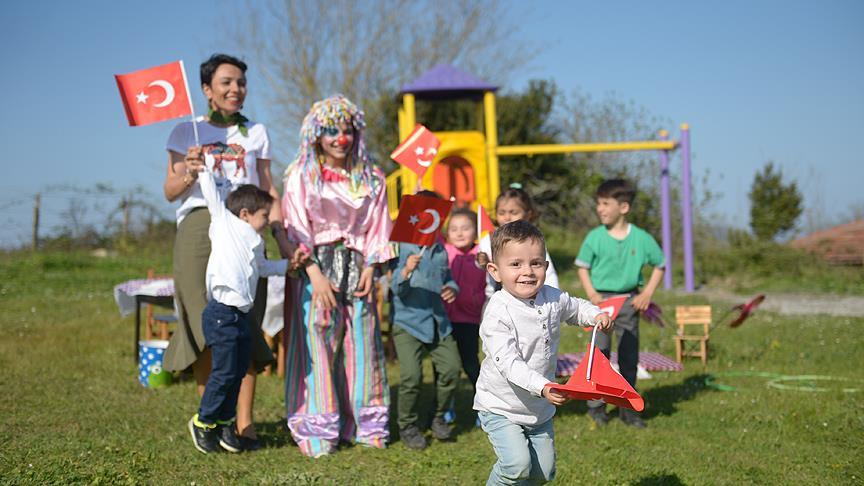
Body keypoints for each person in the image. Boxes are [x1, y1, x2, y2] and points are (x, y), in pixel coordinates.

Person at [162, 53, 294, 449]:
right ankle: (212, 422)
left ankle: (244, 425)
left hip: (246, 229)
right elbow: (170, 191)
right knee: (209, 324)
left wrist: (283, 238)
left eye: (240, 82)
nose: (235, 89)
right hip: (201, 225)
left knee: (245, 324)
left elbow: (269, 190)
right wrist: (188, 168)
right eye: (226, 82)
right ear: (207, 89)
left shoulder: (256, 132)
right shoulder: (186, 131)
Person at [281, 95, 393, 458]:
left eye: (346, 131)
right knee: (316, 346)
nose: (339, 139)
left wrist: (372, 267)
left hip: (358, 267)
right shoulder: (300, 174)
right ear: (316, 134)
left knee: (363, 346)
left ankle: (366, 426)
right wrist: (313, 273)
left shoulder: (372, 177)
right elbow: (295, 224)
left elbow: (379, 226)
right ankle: (318, 429)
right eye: (331, 131)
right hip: (317, 267)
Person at [474, 220, 611, 484]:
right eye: (515, 264)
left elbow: (575, 308)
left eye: (536, 263)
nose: (527, 271)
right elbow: (509, 363)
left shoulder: (551, 297)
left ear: (545, 267)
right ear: (495, 270)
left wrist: (596, 315)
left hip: (538, 411)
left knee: (542, 473)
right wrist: (545, 386)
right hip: (501, 406)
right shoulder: (498, 311)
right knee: (516, 466)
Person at [187, 155, 290, 454]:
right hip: (221, 313)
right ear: (245, 214)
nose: (267, 222)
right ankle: (203, 422)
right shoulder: (224, 222)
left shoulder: (255, 242)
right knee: (223, 372)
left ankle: (223, 423)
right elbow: (210, 191)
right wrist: (204, 168)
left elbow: (263, 269)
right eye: (264, 217)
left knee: (238, 372)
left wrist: (288, 267)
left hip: (241, 316)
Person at [575, 178, 665, 428]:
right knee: (599, 354)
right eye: (598, 204)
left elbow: (660, 264)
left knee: (628, 355)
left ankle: (627, 408)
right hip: (601, 304)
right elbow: (582, 267)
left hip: (629, 303)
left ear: (623, 207)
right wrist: (592, 294)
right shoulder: (594, 237)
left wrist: (646, 293)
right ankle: (596, 406)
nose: (600, 209)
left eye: (605, 204)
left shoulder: (642, 238)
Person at [390, 195, 462, 450]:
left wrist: (452, 289)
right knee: (411, 377)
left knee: (452, 369)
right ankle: (407, 425)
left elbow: (449, 278)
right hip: (408, 322)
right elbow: (396, 289)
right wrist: (406, 271)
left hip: (438, 321)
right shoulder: (402, 246)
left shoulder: (440, 248)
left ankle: (438, 416)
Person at [477, 184, 559, 300]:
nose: (507, 217)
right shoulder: (489, 238)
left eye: (513, 213)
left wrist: (554, 296)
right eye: (502, 213)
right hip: (497, 296)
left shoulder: (533, 240)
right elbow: (482, 263)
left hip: (528, 296)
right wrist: (481, 261)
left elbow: (546, 269)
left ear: (528, 214)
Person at [443, 208, 486, 395]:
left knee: (470, 363)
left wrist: (486, 261)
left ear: (476, 231)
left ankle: (485, 402)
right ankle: (445, 404)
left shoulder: (482, 254)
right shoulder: (443, 251)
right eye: (454, 229)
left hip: (469, 319)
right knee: (444, 366)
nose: (459, 233)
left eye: (465, 228)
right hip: (445, 318)